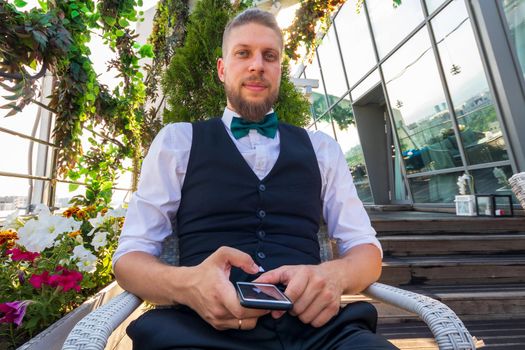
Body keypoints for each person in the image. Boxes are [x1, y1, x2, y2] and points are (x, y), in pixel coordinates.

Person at [113, 7, 398, 350]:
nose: (257, 65)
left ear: (279, 69)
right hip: (198, 332)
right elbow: (129, 260)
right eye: (243, 53)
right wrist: (188, 284)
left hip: (317, 333)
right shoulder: (177, 142)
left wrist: (333, 275)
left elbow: (367, 252)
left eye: (270, 56)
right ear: (222, 68)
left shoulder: (322, 149)